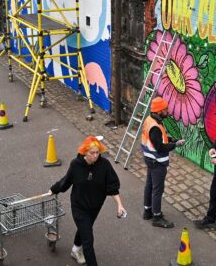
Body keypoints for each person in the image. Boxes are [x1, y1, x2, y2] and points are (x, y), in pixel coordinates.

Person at [50, 136, 125, 266]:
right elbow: (66, 181)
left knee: (85, 229)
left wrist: (120, 205)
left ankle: (75, 250)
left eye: (97, 152)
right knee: (88, 240)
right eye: (92, 153)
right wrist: (54, 189)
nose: (95, 156)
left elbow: (112, 186)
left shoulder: (104, 165)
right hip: (79, 207)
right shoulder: (75, 165)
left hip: (95, 207)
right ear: (85, 152)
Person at [141, 96, 185, 228]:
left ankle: (147, 211)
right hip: (157, 161)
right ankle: (157, 217)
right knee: (157, 190)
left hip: (150, 159)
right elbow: (160, 147)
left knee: (149, 185)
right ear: (159, 111)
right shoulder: (155, 126)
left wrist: (171, 140)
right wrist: (175, 144)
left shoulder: (151, 120)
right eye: (166, 109)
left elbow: (160, 139)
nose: (168, 111)